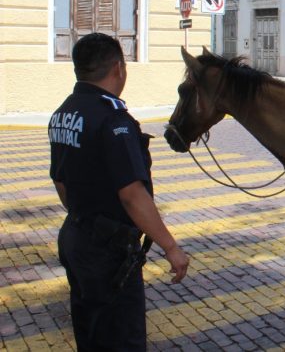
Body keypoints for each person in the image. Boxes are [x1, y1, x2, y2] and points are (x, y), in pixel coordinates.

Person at [50, 33, 189, 350]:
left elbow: (61, 181)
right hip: (107, 251)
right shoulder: (114, 120)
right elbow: (131, 194)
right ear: (118, 68)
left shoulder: (63, 113)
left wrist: (86, 214)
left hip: (76, 237)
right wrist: (170, 247)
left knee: (92, 333)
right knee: (123, 338)